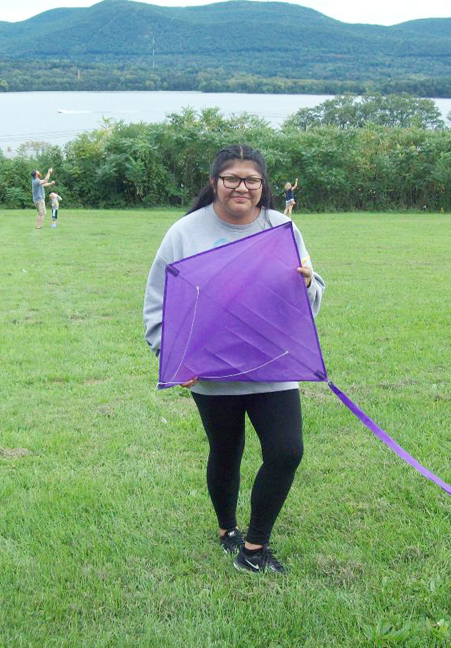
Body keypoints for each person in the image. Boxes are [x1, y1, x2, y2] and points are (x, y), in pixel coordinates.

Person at [144, 145, 324, 574]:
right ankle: (228, 531)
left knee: (286, 450)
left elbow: (309, 294)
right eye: (232, 178)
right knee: (226, 450)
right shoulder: (184, 233)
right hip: (211, 369)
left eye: (252, 179)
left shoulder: (281, 227)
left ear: (263, 185)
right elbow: (159, 300)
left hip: (271, 364)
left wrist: (308, 285)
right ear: (214, 182)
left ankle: (255, 547)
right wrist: (173, 356)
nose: (242, 187)